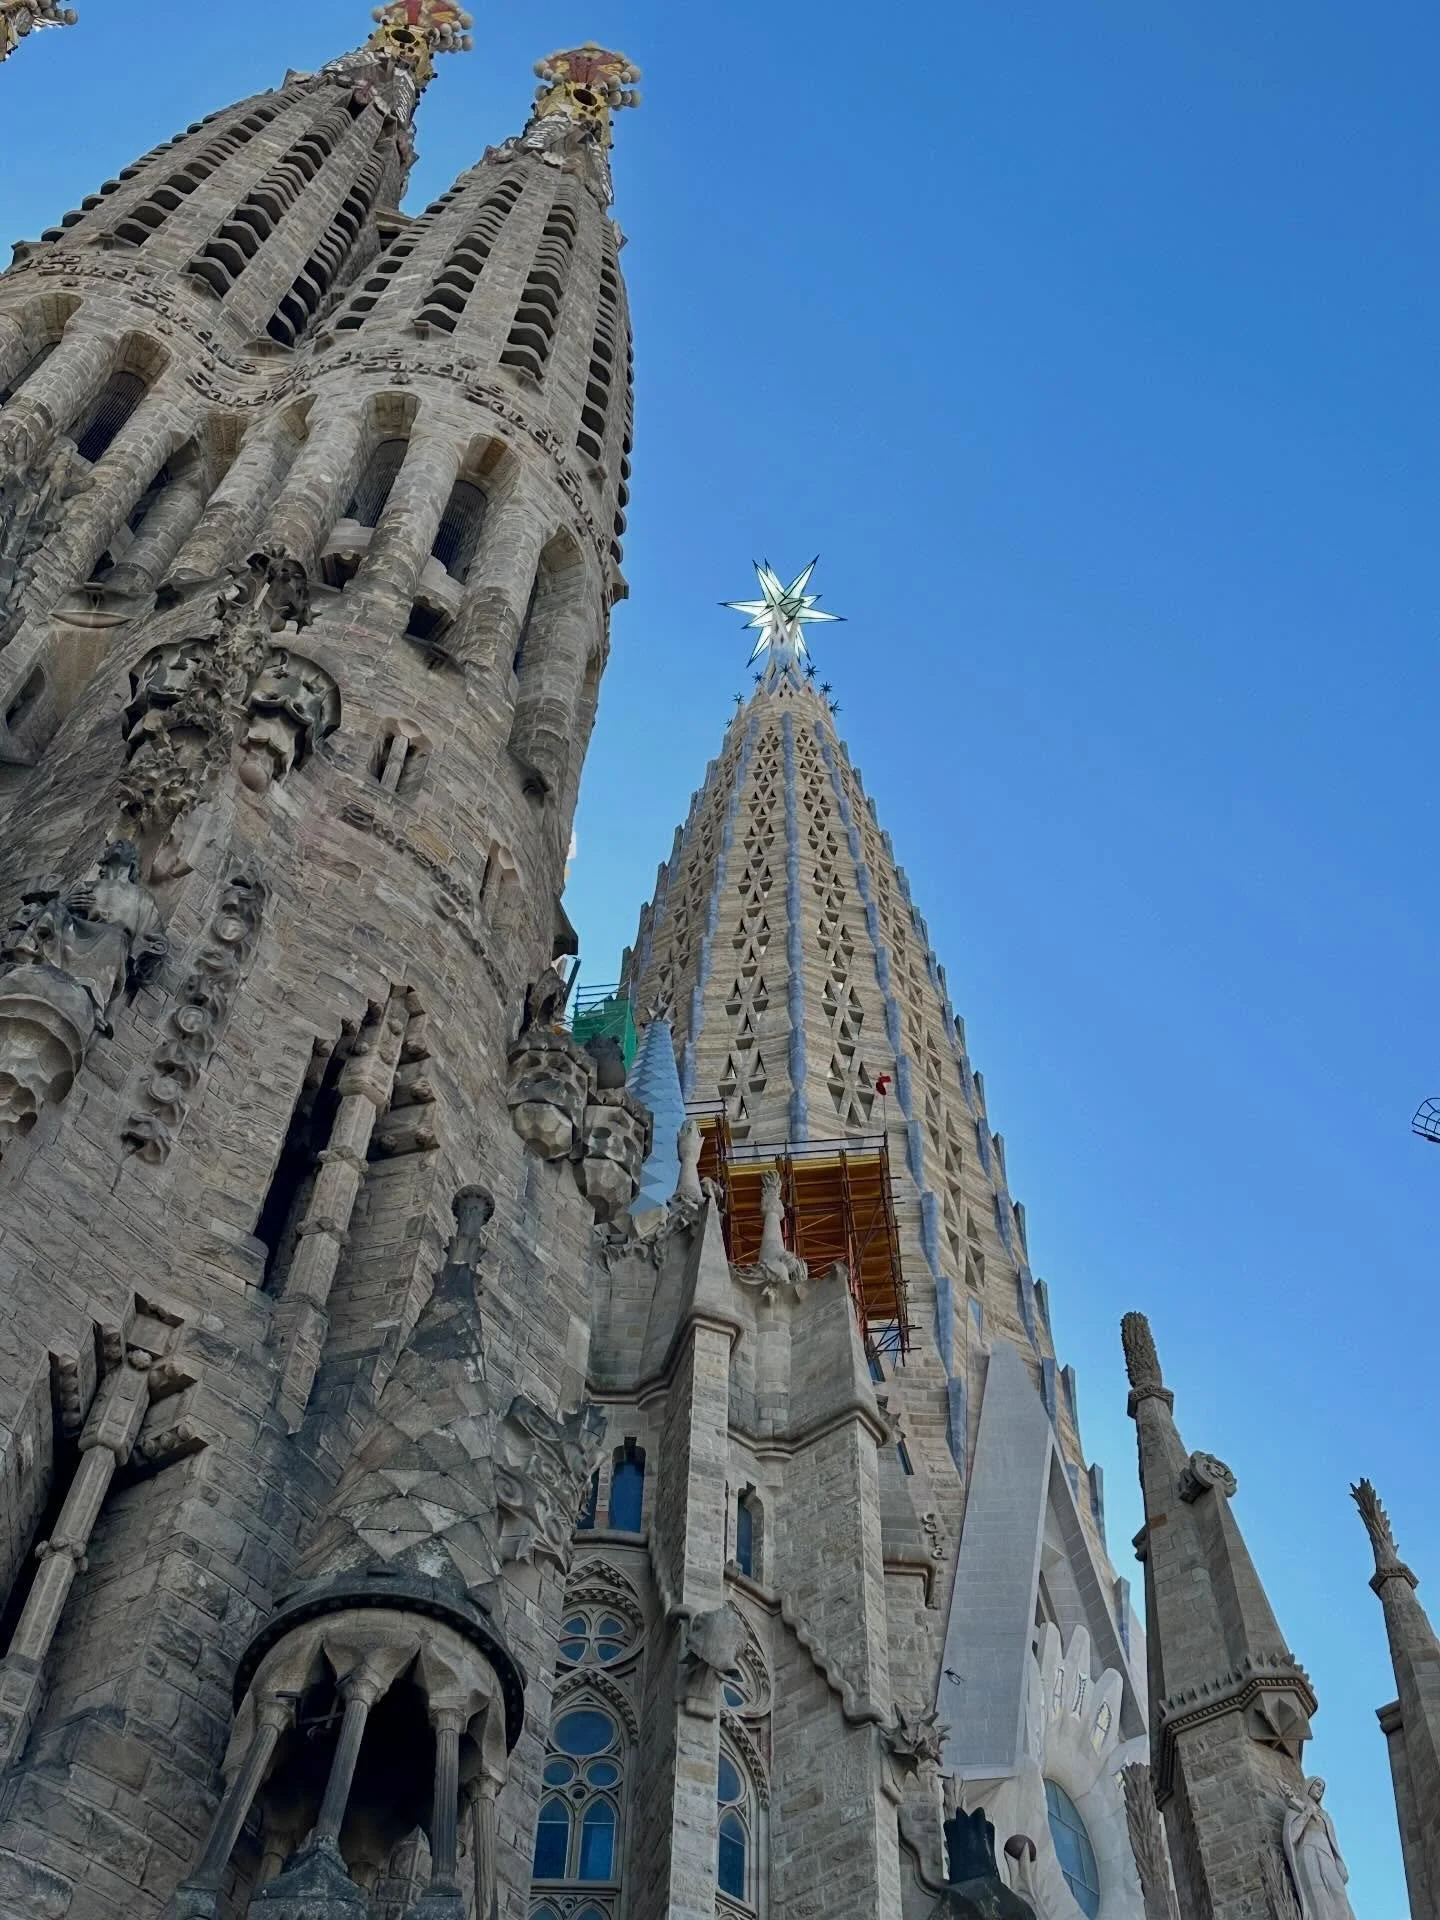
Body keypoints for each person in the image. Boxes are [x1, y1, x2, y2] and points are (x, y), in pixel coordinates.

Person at [1282, 1778, 1356, 1920]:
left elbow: (1333, 1842)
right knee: (1317, 1894)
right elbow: (1291, 1837)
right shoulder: (1296, 1809)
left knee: (1338, 1893)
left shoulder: (1325, 1816)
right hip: (1308, 1852)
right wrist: (1306, 1813)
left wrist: (1339, 1862)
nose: (1320, 1789)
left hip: (1327, 1855)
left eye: (1322, 1787)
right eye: (1317, 1785)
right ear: (1308, 1786)